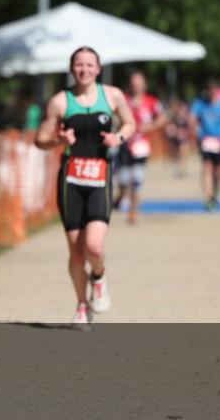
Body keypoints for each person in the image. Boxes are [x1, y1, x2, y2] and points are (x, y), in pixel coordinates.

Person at [35, 47, 135, 329]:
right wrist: (58, 139)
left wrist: (119, 138)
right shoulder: (60, 102)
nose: (84, 70)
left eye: (89, 64)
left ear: (98, 68)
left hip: (100, 177)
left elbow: (130, 123)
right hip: (71, 180)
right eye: (79, 64)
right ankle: (82, 304)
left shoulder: (112, 95)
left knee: (93, 244)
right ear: (71, 69)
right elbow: (39, 138)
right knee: (76, 252)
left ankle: (99, 277)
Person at [113, 71, 165, 224]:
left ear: (144, 85)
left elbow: (162, 118)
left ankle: (133, 212)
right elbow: (114, 116)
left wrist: (150, 126)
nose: (136, 87)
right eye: (134, 84)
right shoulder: (123, 100)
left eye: (139, 84)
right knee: (123, 180)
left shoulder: (152, 102)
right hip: (124, 145)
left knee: (136, 179)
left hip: (141, 146)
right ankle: (120, 197)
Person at [190, 81, 220, 210]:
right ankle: (208, 197)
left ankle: (216, 191)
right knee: (207, 168)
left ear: (217, 91)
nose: (211, 93)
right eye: (209, 90)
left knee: (219, 171)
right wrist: (195, 130)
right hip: (205, 141)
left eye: (214, 90)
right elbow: (192, 118)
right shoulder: (200, 104)